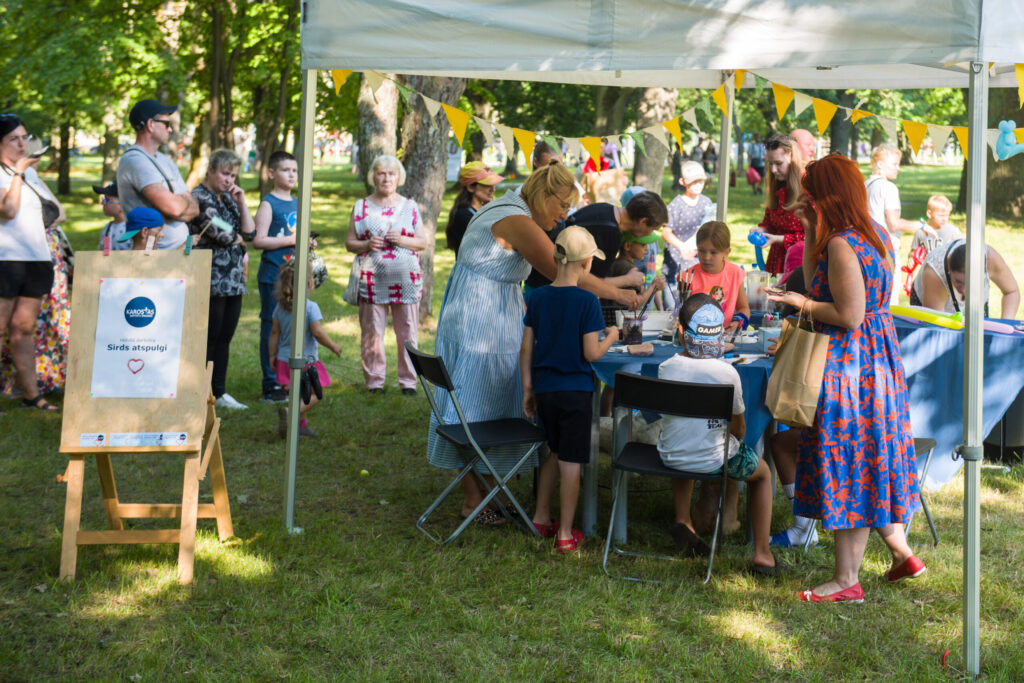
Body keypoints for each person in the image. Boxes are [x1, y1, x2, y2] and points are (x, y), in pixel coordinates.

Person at [427, 161, 637, 524]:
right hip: (481, 316)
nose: (563, 217)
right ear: (545, 196)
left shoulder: (510, 207)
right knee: (479, 402)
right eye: (562, 206)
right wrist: (621, 296)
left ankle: (489, 494)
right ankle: (475, 500)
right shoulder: (518, 220)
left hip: (487, 306)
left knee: (491, 400)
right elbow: (563, 272)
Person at [768, 153, 924, 603]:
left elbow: (846, 313)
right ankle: (901, 554)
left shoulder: (842, 244)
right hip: (879, 358)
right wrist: (813, 228)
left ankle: (845, 581)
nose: (804, 199)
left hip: (850, 361)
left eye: (810, 193)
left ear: (825, 195)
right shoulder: (873, 233)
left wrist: (798, 303)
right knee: (868, 456)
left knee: (848, 460)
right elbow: (826, 282)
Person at [657, 294, 781, 574]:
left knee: (684, 438)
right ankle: (762, 554)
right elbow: (738, 430)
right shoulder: (727, 374)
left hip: (671, 455)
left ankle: (683, 518)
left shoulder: (667, 368)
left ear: (680, 331)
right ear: (719, 335)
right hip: (714, 460)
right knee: (762, 475)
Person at [521, 227, 619, 552]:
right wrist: (612, 337)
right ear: (587, 262)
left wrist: (527, 389)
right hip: (576, 392)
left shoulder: (537, 297)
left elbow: (527, 348)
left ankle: (540, 516)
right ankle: (565, 533)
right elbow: (591, 353)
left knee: (554, 451)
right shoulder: (588, 301)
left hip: (545, 389)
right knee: (572, 462)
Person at [345, 155, 426, 395]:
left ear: (399, 177)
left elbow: (423, 242)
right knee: (372, 331)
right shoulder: (361, 207)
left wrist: (403, 240)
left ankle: (408, 382)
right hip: (372, 280)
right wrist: (367, 244)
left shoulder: (410, 206)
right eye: (381, 173)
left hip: (406, 282)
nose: (386, 178)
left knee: (408, 331)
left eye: (391, 173)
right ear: (373, 176)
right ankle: (374, 382)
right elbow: (350, 243)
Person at [0, 113, 65, 412]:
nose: (22, 143)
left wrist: (26, 174)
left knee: (24, 328)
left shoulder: (32, 175)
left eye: (25, 137)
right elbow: (9, 210)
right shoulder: (6, 174)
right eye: (14, 138)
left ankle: (31, 395)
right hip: (6, 259)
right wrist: (17, 174)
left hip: (36, 257)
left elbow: (58, 213)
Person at [190, 149, 256, 411]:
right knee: (210, 336)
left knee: (225, 336)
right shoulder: (200, 198)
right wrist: (236, 236)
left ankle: (220, 391)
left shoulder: (227, 199)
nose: (229, 180)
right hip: (210, 277)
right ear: (211, 170)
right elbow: (224, 236)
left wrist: (240, 202)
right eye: (225, 174)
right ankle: (201, 391)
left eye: (233, 175)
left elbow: (249, 233)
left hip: (233, 278)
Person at [523, 191, 668, 303]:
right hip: (548, 294)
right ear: (643, 221)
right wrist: (627, 280)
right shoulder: (609, 234)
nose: (651, 233)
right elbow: (586, 281)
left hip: (536, 285)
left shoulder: (605, 209)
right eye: (653, 228)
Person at [268, 258, 341, 438]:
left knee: (299, 394)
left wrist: (272, 356)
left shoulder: (280, 307)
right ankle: (291, 413)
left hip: (285, 360)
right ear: (309, 283)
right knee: (317, 393)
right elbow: (317, 332)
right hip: (306, 363)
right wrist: (333, 346)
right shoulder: (310, 307)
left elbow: (274, 333)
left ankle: (299, 427)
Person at [115, 99, 198, 250]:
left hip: (178, 254)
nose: (170, 130)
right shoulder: (135, 160)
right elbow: (175, 208)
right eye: (167, 124)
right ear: (150, 124)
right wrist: (180, 201)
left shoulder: (164, 160)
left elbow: (194, 209)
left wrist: (174, 206)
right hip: (151, 257)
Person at [253, 151, 299, 404]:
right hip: (273, 275)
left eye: (294, 170)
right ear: (271, 173)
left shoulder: (297, 202)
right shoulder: (268, 203)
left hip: (293, 275)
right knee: (271, 326)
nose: (291, 174)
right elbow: (258, 240)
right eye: (285, 170)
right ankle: (269, 383)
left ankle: (285, 378)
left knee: (289, 327)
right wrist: (291, 240)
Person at [866, 144, 933, 302]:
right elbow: (894, 223)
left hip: (866, 249)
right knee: (889, 301)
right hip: (885, 251)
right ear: (880, 164)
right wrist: (923, 225)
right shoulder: (888, 187)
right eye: (894, 164)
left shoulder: (865, 185)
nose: (899, 168)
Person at [910, 239, 1019, 318]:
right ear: (949, 269)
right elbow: (936, 326)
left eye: (972, 283)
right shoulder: (935, 274)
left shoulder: (990, 260)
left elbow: (1011, 292)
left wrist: (1005, 327)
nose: (963, 290)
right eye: (958, 281)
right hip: (932, 306)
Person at [751, 134, 807, 276]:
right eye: (770, 163)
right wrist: (761, 229)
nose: (773, 170)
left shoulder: (808, 190)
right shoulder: (778, 188)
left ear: (793, 159)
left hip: (799, 264)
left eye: (778, 163)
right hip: (776, 262)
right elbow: (769, 222)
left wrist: (779, 239)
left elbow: (814, 237)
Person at [680, 221, 750, 331]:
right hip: (697, 335)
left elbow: (743, 307)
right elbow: (681, 312)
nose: (706, 257)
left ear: (727, 252)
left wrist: (737, 321)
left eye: (713, 252)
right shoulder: (687, 277)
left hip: (725, 335)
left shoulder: (735, 273)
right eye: (702, 251)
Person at [663, 161, 713, 310]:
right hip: (676, 263)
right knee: (673, 308)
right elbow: (666, 232)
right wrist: (682, 247)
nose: (698, 184)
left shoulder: (706, 203)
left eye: (700, 181)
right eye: (693, 182)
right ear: (682, 182)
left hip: (697, 262)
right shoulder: (675, 205)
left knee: (695, 306)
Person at [444, 161, 504, 256]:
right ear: (471, 187)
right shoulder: (463, 215)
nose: (493, 189)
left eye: (493, 184)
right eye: (487, 185)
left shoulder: (484, 211)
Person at [93, 182, 129, 250]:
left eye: (106, 200)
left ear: (122, 204)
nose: (102, 203)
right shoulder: (107, 229)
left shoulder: (133, 229)